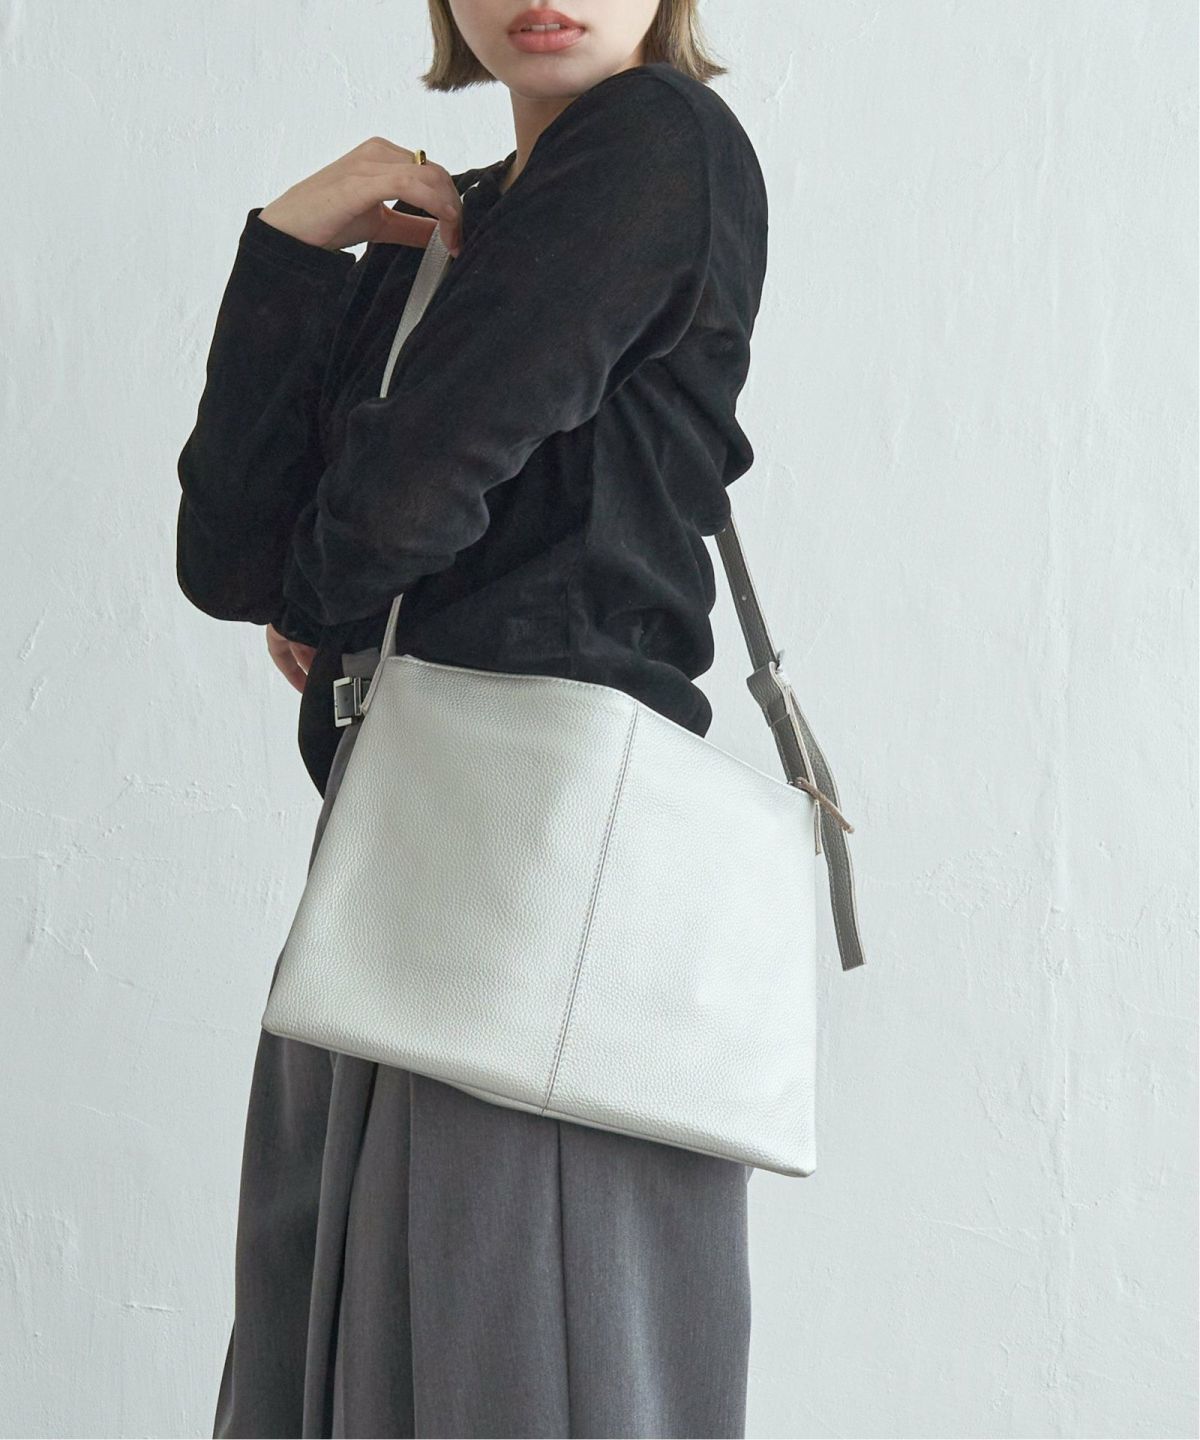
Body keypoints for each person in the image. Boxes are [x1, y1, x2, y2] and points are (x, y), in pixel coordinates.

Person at [176, 1, 769, 1434]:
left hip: (546, 878)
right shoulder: (452, 219)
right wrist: (291, 245)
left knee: (510, 1351)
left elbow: (400, 497)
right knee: (366, 1365)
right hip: (398, 862)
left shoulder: (657, 141)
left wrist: (327, 589)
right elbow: (235, 566)